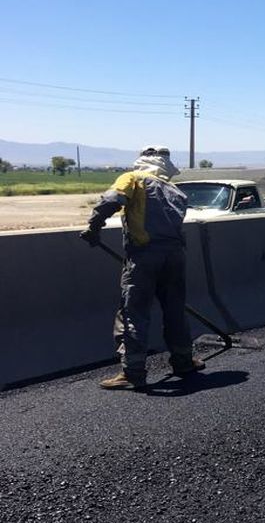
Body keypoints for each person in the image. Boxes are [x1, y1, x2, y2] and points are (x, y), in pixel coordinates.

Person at [78, 146, 203, 389]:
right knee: (175, 310)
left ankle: (133, 372)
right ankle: (184, 361)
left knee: (132, 312)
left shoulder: (133, 178)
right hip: (176, 257)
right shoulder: (174, 190)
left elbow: (111, 201)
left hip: (145, 256)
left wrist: (93, 227)